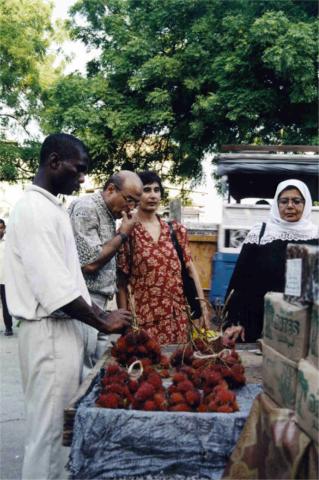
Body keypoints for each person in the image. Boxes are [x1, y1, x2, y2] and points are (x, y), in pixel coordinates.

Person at [4, 133, 131, 480]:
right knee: (49, 437)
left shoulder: (50, 207)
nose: (83, 178)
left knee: (61, 434)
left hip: (63, 332)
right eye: (79, 170)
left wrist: (103, 314)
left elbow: (69, 280)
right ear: (54, 161)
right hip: (49, 332)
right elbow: (55, 290)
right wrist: (102, 322)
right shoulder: (33, 210)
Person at [117, 171, 210, 344]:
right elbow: (121, 283)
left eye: (156, 190)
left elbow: (190, 270)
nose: (152, 195)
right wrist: (125, 325)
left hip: (177, 320)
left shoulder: (176, 230)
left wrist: (202, 307)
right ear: (137, 195)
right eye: (146, 190)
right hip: (143, 321)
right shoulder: (128, 231)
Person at [223, 179, 319, 343]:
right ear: (276, 204)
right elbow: (240, 280)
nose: (290, 206)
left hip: (302, 326)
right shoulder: (261, 233)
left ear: (306, 204)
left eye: (296, 201)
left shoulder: (315, 235)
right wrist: (235, 321)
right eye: (284, 201)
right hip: (257, 322)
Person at [68, 171, 142, 368]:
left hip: (100, 301)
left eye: (135, 203)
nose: (131, 208)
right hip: (86, 301)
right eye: (129, 200)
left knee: (97, 367)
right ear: (111, 189)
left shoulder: (108, 213)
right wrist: (124, 234)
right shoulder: (86, 208)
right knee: (84, 370)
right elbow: (90, 263)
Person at [0, 219, 13, 335]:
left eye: (1, 228)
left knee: (6, 304)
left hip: (5, 279)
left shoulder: (9, 242)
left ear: (4, 228)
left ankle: (8, 327)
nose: (0, 230)